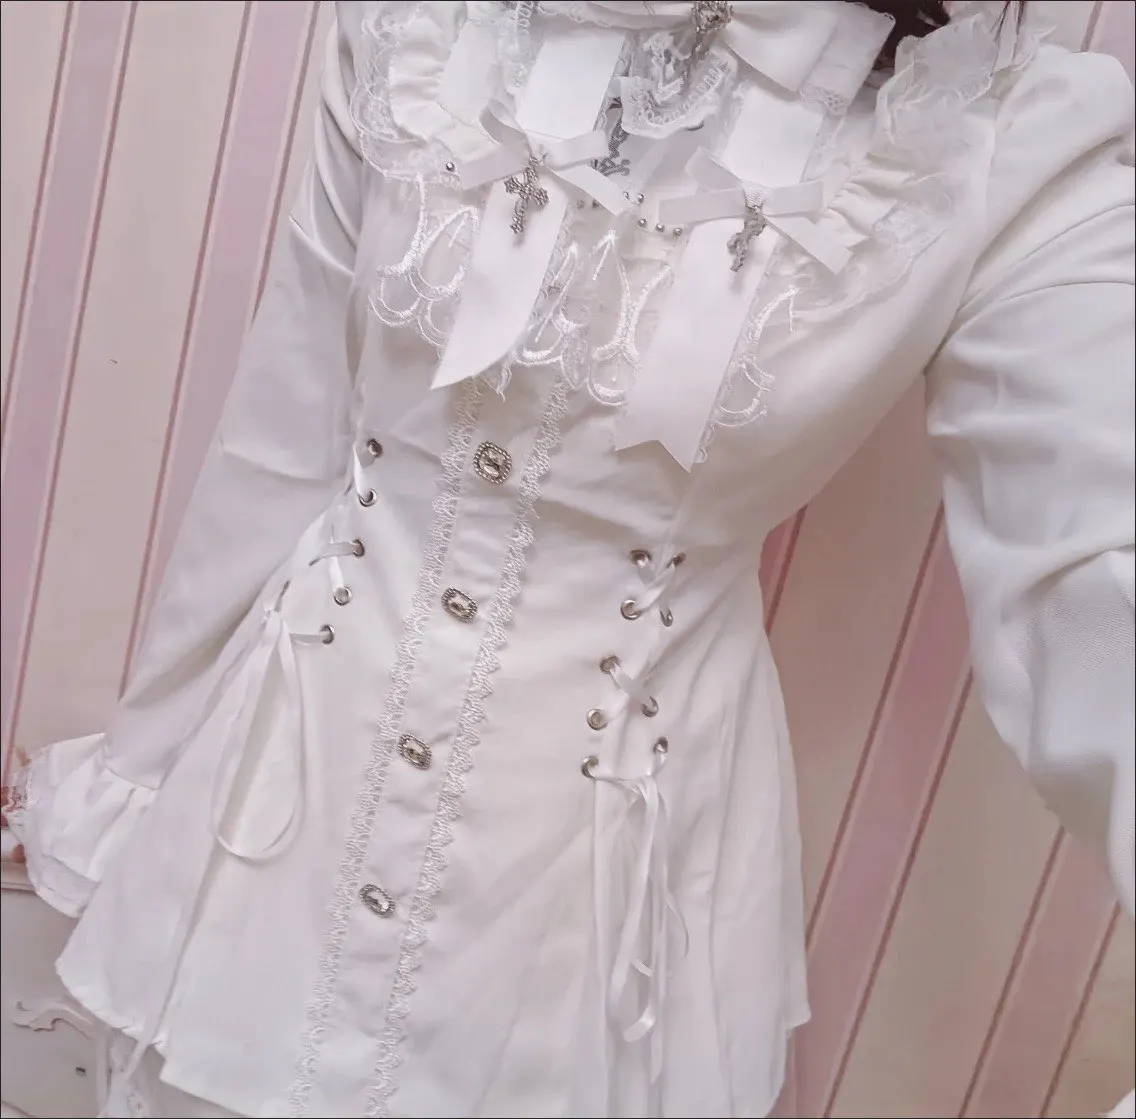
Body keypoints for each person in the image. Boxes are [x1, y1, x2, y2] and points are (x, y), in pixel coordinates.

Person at [4, 1, 1133, 1116]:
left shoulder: (1004, 137)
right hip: (262, 849)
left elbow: (1099, 570)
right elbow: (284, 437)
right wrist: (137, 786)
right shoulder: (421, 28)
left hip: (596, 946)